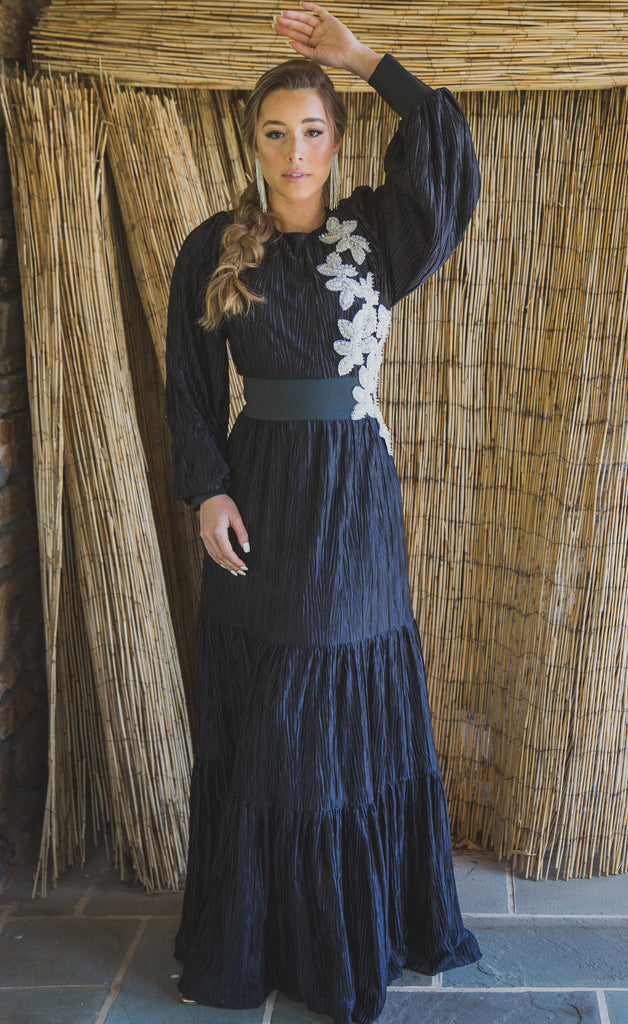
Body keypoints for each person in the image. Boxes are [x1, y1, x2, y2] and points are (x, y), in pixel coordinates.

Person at [165, 4, 482, 1022]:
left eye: (311, 130)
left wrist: (360, 59)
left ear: (336, 142)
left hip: (352, 498)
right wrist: (206, 488)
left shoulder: (380, 235)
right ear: (251, 143)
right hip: (257, 497)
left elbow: (444, 148)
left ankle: (352, 928)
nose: (294, 149)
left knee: (339, 697)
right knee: (264, 716)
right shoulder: (215, 247)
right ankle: (260, 933)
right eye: (275, 131)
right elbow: (184, 384)